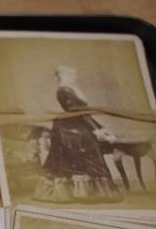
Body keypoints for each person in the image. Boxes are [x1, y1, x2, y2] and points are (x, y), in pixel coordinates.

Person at [33, 65, 123, 204]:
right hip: (69, 129)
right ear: (63, 76)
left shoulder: (72, 90)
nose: (75, 77)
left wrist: (100, 128)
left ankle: (91, 193)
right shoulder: (63, 91)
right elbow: (77, 112)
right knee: (86, 151)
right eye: (72, 75)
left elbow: (84, 113)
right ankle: (83, 193)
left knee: (91, 151)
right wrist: (95, 130)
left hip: (78, 125)